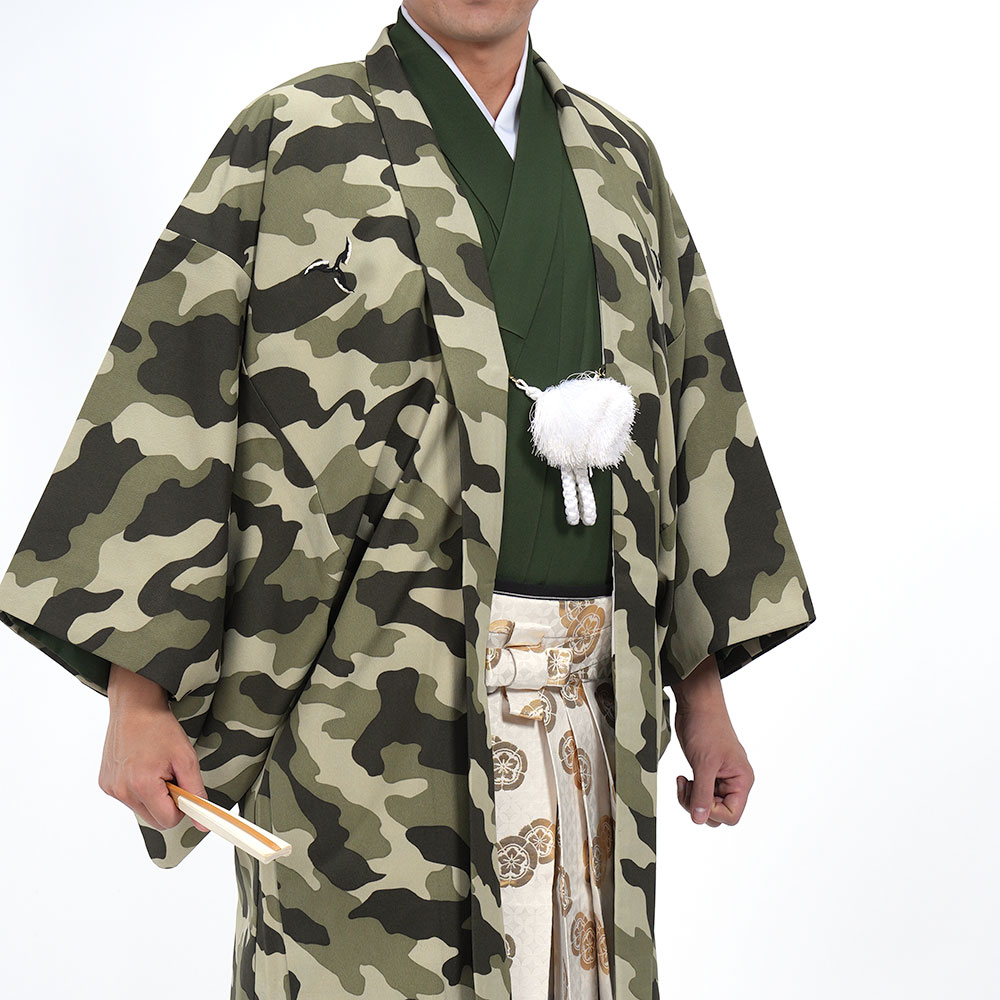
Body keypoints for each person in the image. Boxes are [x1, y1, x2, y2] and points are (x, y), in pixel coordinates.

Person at [0, 3, 816, 999]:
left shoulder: (621, 164)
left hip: (592, 706)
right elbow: (175, 393)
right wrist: (138, 699)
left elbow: (689, 424)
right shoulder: (291, 137)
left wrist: (703, 697)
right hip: (362, 705)